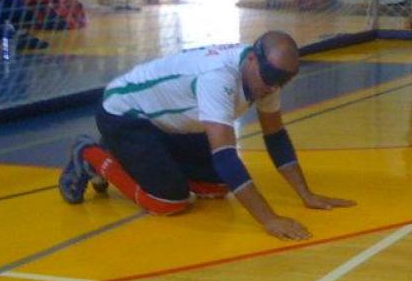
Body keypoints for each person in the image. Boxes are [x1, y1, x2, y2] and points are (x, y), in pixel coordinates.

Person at [57, 31, 355, 240]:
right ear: (252, 59)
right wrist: (269, 219)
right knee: (168, 201)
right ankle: (91, 156)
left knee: (216, 187)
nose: (274, 86)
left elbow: (275, 135)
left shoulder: (264, 78)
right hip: (126, 115)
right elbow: (225, 156)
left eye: (284, 81)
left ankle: (146, 161)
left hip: (173, 122)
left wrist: (307, 195)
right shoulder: (218, 77)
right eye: (272, 78)